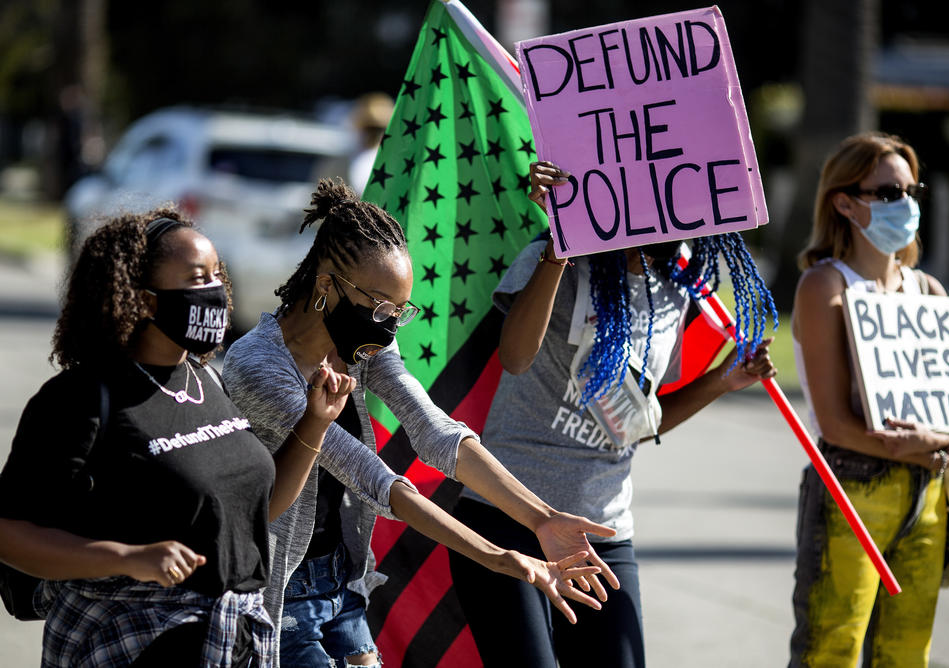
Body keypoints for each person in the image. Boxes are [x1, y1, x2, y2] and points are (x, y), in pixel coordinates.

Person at [222, 178, 614, 668]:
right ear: (326, 286)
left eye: (398, 311)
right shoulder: (257, 365)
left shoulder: (363, 343)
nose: (386, 325)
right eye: (378, 306)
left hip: (342, 579)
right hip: (277, 587)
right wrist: (496, 555)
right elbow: (371, 476)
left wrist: (541, 519)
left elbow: (434, 430)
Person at [448, 161, 779, 668]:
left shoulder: (674, 287)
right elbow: (514, 358)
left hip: (602, 535)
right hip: (507, 517)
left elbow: (631, 426)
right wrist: (558, 254)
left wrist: (722, 381)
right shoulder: (554, 255)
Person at [0, 210, 357, 667]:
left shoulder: (204, 378)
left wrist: (315, 422)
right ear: (144, 300)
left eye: (216, 275)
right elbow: (8, 533)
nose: (214, 291)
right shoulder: (81, 399)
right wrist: (128, 557)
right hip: (133, 641)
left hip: (233, 640)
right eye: (196, 278)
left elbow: (253, 511)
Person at [789, 132, 949, 667]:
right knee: (831, 650)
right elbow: (834, 425)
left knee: (906, 654)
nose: (906, 204)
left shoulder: (930, 292)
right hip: (850, 489)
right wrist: (930, 447)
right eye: (889, 193)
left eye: (910, 190)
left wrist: (938, 447)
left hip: (928, 495)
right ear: (844, 202)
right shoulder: (824, 287)